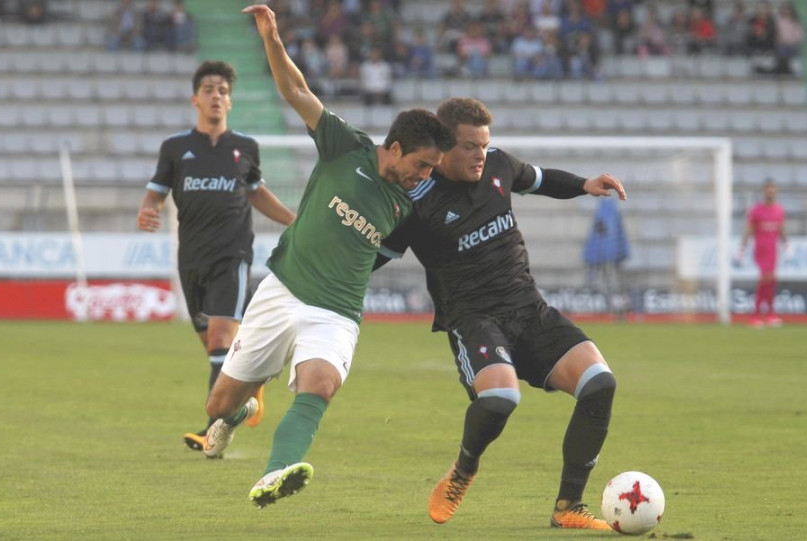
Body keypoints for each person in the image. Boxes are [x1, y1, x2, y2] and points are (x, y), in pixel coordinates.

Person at [201, 3, 455, 509]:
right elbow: (296, 91)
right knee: (219, 403)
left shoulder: (410, 202)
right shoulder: (346, 148)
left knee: (321, 383)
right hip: (282, 290)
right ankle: (235, 415)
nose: (425, 176)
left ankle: (275, 473)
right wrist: (272, 38)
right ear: (397, 147)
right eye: (422, 165)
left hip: (335, 310)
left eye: (431, 170)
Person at [375, 98, 627, 529]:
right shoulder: (415, 202)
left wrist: (585, 184)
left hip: (530, 310)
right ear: (443, 148)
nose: (480, 154)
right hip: (473, 320)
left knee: (600, 383)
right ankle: (463, 471)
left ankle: (569, 505)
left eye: (484, 144)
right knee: (501, 397)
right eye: (470, 146)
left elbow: (543, 180)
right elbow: (374, 256)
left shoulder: (499, 166)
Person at [136, 60, 296, 453]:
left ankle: (214, 431)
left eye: (223, 90)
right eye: (209, 89)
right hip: (191, 258)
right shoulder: (175, 149)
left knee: (223, 340)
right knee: (215, 349)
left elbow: (257, 192)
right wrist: (148, 208)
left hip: (233, 254)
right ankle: (252, 383)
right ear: (195, 99)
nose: (216, 96)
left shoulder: (245, 148)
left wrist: (295, 221)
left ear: (230, 101)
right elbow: (156, 191)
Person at [736, 179, 787, 328]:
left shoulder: (779, 210)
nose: (770, 191)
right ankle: (756, 315)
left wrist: (787, 243)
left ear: (776, 191)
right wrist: (742, 248)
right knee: (765, 279)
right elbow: (748, 230)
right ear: (764, 191)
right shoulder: (756, 210)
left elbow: (781, 229)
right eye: (768, 188)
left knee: (771, 281)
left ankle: (769, 314)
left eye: (773, 188)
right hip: (761, 250)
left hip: (773, 250)